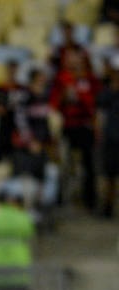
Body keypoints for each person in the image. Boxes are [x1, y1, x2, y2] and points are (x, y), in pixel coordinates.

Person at [49, 50, 100, 210]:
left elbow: (95, 104)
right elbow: (54, 104)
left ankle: (89, 200)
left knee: (89, 165)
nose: (74, 64)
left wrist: (79, 95)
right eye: (71, 61)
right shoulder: (62, 79)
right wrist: (65, 95)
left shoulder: (90, 79)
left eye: (77, 60)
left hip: (85, 126)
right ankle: (62, 199)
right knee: (64, 164)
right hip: (68, 126)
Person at [0, 61, 28, 163]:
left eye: (14, 70)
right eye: (10, 70)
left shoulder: (22, 89)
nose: (12, 72)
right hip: (4, 126)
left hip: (19, 126)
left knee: (18, 154)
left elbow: (28, 106)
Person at [96, 59, 119, 217]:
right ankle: (107, 206)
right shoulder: (105, 93)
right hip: (110, 139)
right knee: (108, 176)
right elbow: (100, 116)